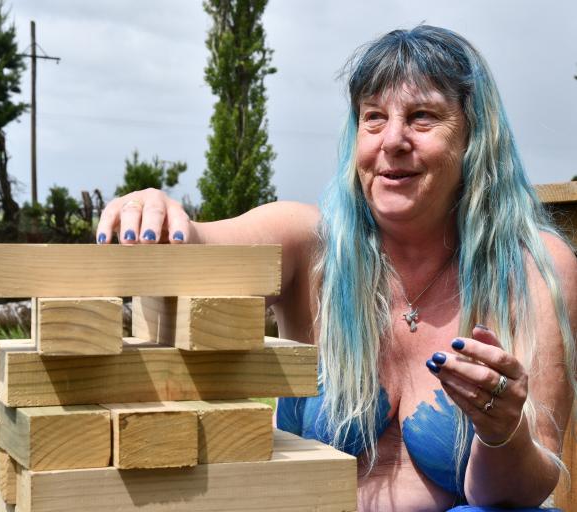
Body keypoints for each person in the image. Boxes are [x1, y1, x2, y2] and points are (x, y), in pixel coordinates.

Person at [96, 25, 576, 512]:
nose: (392, 140)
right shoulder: (310, 244)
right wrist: (154, 212)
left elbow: (522, 493)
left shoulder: (535, 266)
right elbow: (198, 251)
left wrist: (502, 434)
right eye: (373, 118)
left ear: (474, 135)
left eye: (422, 116)